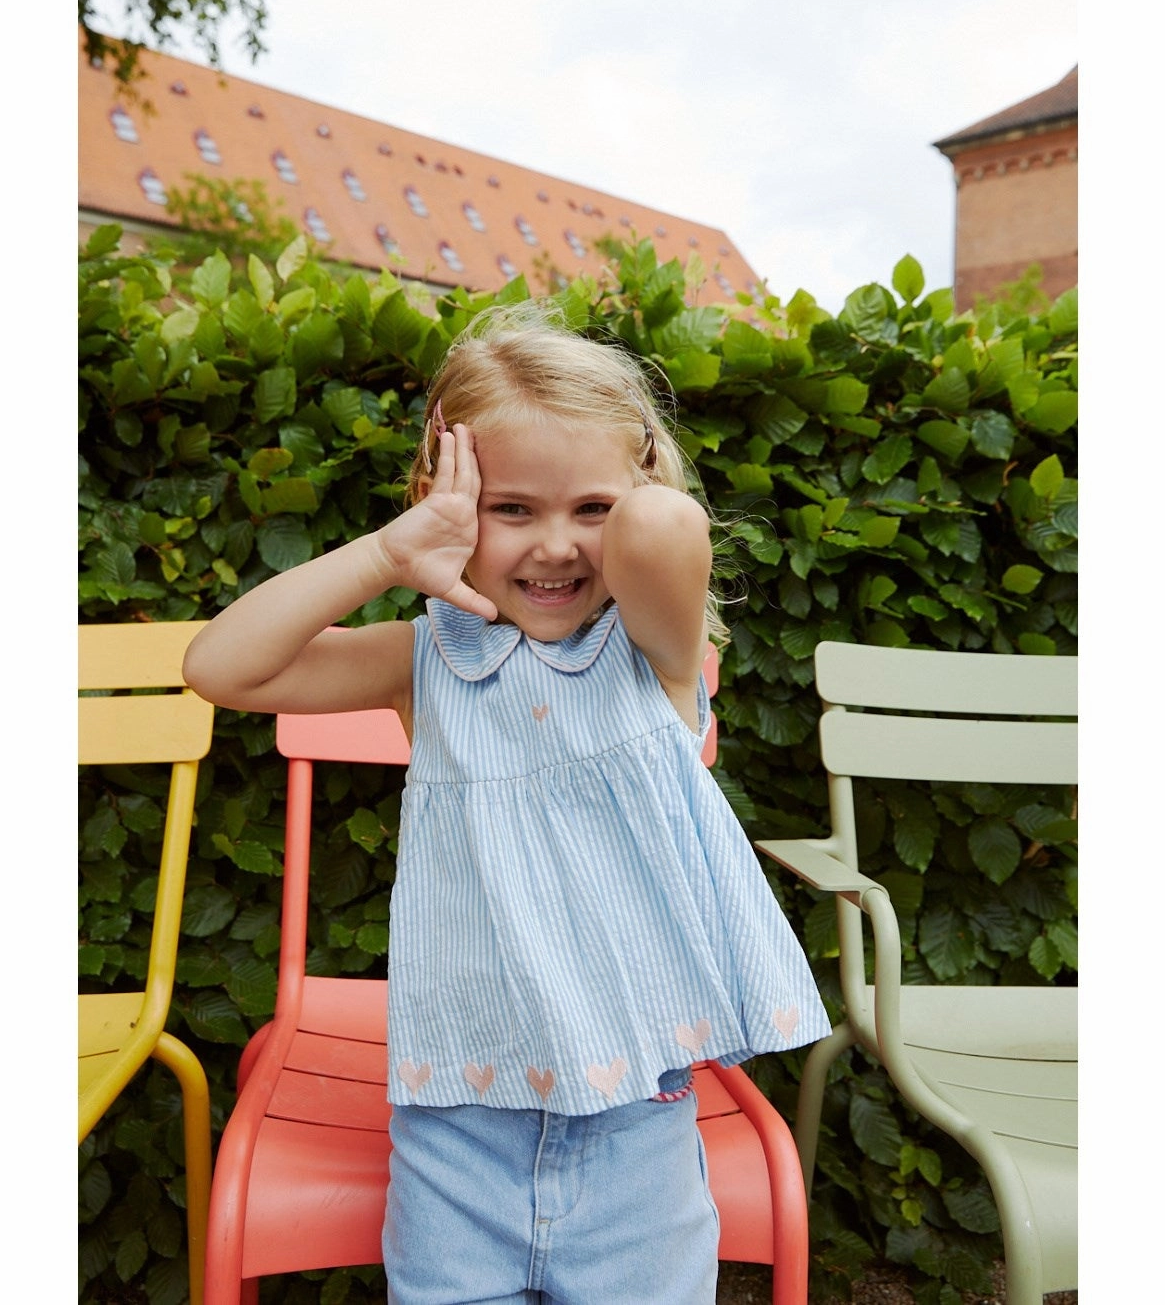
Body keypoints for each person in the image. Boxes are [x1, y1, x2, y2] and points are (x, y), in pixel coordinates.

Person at [182, 303, 831, 1305]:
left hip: (634, 1130)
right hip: (455, 1127)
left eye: (591, 509)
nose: (557, 547)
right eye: (512, 508)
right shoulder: (425, 663)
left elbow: (665, 533)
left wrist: (639, 485)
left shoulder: (652, 657)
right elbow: (219, 667)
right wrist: (395, 553)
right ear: (445, 499)